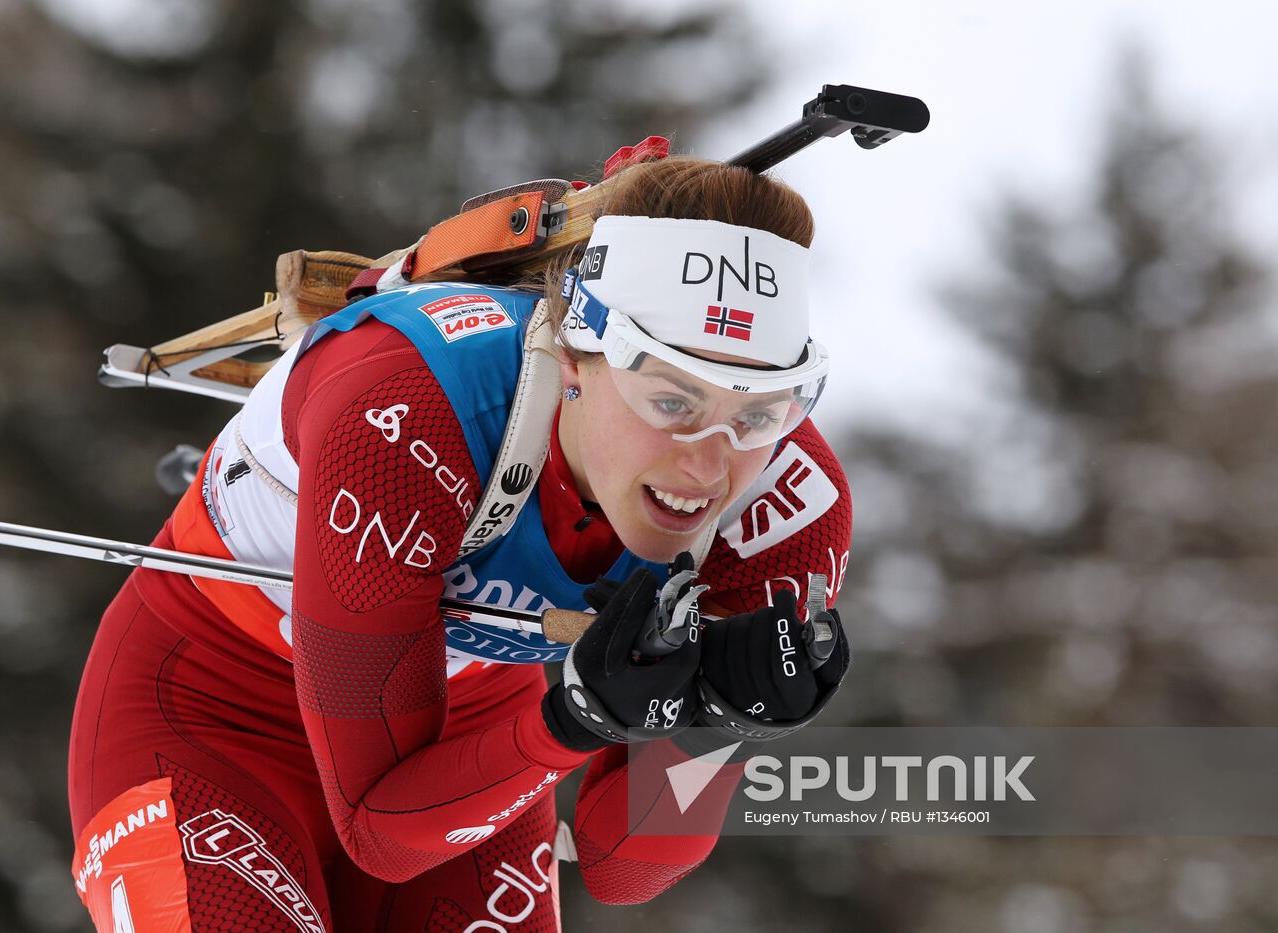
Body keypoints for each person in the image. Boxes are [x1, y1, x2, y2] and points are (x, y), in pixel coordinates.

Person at [67, 153, 853, 931]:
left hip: (461, 742)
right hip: (211, 711)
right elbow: (378, 826)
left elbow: (622, 867)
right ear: (577, 355)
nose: (711, 463)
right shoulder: (414, 401)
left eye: (759, 413)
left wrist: (716, 723)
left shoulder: (788, 505)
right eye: (672, 399)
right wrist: (574, 721)